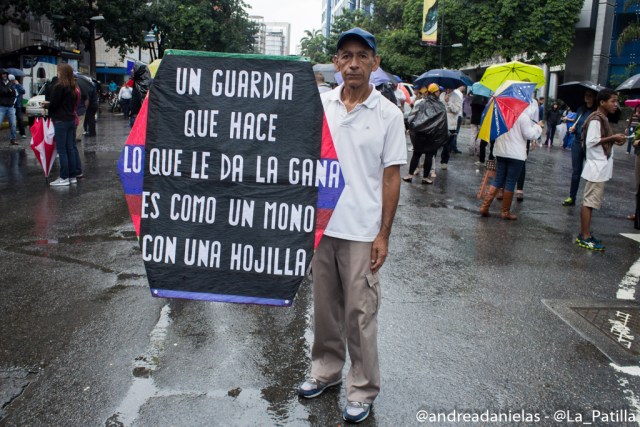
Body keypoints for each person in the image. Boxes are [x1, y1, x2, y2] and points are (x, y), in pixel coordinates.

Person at [297, 27, 406, 424]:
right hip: (322, 226)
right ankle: (325, 371)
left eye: (363, 56)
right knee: (324, 308)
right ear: (337, 62)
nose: (354, 63)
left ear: (375, 63)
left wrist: (383, 235)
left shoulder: (388, 115)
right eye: (347, 55)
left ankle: (361, 389)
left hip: (362, 230)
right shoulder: (321, 105)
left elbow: (391, 178)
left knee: (360, 313)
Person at [576, 88, 627, 251]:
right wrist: (613, 138)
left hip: (599, 166)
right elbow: (592, 141)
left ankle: (586, 234)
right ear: (602, 102)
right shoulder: (597, 119)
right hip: (595, 167)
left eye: (616, 101)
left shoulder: (601, 118)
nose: (615, 104)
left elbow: (599, 141)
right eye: (612, 101)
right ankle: (584, 236)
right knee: (589, 202)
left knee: (591, 201)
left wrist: (613, 141)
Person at [480, 98, 543, 220]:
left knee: (498, 180)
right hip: (516, 154)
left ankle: (484, 207)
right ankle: (505, 212)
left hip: (501, 152)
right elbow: (530, 134)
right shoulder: (522, 116)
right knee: (510, 181)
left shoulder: (501, 114)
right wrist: (538, 127)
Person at [403, 83, 445, 184]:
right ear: (435, 92)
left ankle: (410, 175)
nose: (439, 93)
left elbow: (412, 116)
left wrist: (413, 128)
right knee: (429, 155)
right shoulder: (440, 105)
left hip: (420, 134)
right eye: (438, 91)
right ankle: (425, 177)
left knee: (416, 154)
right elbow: (442, 120)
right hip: (432, 135)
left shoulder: (421, 102)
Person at [45, 64, 80, 186]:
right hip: (70, 119)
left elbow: (54, 104)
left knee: (62, 150)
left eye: (59, 71)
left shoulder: (60, 86)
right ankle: (72, 176)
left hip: (60, 120)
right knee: (70, 148)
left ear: (62, 73)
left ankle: (64, 177)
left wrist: (47, 106)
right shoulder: (73, 87)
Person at [561, 90, 597, 206]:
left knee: (590, 171)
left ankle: (589, 199)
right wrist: (573, 129)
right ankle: (572, 197)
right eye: (586, 95)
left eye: (590, 95)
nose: (587, 97)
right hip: (577, 142)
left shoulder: (596, 112)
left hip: (590, 144)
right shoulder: (581, 109)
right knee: (576, 171)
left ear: (594, 97)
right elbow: (578, 123)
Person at [439, 87, 462, 169]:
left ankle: (444, 161)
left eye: (449, 87)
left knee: (447, 144)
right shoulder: (441, 95)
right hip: (441, 122)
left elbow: (456, 110)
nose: (448, 89)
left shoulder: (457, 97)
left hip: (451, 124)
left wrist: (448, 102)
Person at [130, 63, 151, 128]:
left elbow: (138, 102)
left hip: (138, 117)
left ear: (138, 71)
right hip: (138, 116)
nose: (131, 71)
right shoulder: (141, 83)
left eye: (133, 69)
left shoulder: (140, 85)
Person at [0, 69, 18, 145]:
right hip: (2, 106)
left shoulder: (10, 83)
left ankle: (13, 139)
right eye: (3, 74)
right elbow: (2, 92)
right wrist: (8, 91)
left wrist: (7, 92)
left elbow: (14, 93)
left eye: (5, 74)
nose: (4, 75)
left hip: (10, 106)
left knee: (13, 124)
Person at [9, 75, 26, 140]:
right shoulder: (9, 85)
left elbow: (23, 91)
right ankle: (13, 133)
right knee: (12, 120)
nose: (12, 81)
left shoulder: (18, 85)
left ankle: (23, 133)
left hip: (17, 105)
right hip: (11, 104)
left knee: (20, 118)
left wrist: (18, 84)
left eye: (13, 80)